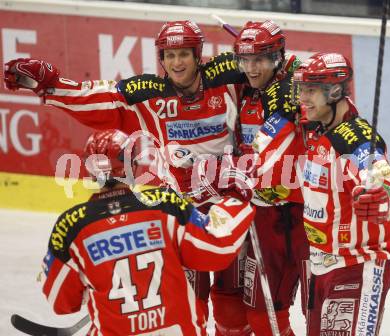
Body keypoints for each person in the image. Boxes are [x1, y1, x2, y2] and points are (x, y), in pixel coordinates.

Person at [3, 19, 247, 323]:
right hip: (181, 215)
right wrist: (50, 86)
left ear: (198, 55)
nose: (176, 62)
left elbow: (271, 69)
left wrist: (259, 48)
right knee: (187, 301)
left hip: (227, 206)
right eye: (169, 56)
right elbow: (95, 98)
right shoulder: (147, 93)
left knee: (232, 309)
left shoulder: (230, 77)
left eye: (183, 54)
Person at [40, 128, 256, 336]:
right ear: (133, 166)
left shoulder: (71, 226)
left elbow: (61, 302)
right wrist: (235, 198)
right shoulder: (166, 205)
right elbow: (215, 247)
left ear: (89, 171)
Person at [291, 52, 390, 335]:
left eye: (311, 91)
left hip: (359, 261)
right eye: (301, 89)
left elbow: (383, 174)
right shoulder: (318, 127)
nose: (302, 98)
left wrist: (380, 193)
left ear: (334, 92)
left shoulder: (353, 136)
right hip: (323, 261)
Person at [210, 20, 309, 336]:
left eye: (261, 60)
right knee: (226, 310)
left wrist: (244, 167)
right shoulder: (244, 85)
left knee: (266, 318)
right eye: (246, 60)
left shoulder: (298, 88)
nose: (252, 69)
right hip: (242, 209)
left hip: (284, 217)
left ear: (278, 57)